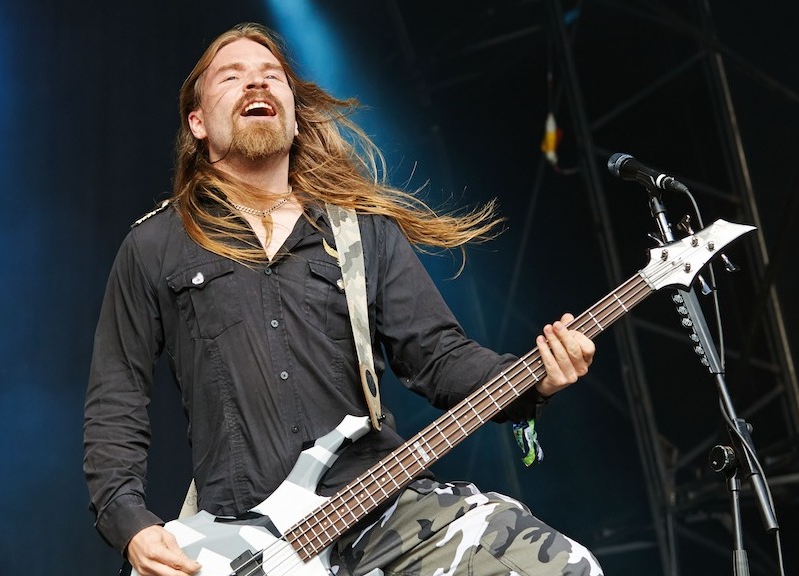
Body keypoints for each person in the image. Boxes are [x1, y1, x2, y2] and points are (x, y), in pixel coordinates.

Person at [84, 22, 602, 576]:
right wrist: (131, 524)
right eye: (231, 77)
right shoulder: (155, 245)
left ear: (292, 112)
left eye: (272, 76)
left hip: (383, 506)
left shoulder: (360, 230)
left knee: (562, 568)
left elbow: (438, 357)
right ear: (198, 123)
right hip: (246, 543)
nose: (256, 85)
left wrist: (535, 377)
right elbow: (116, 402)